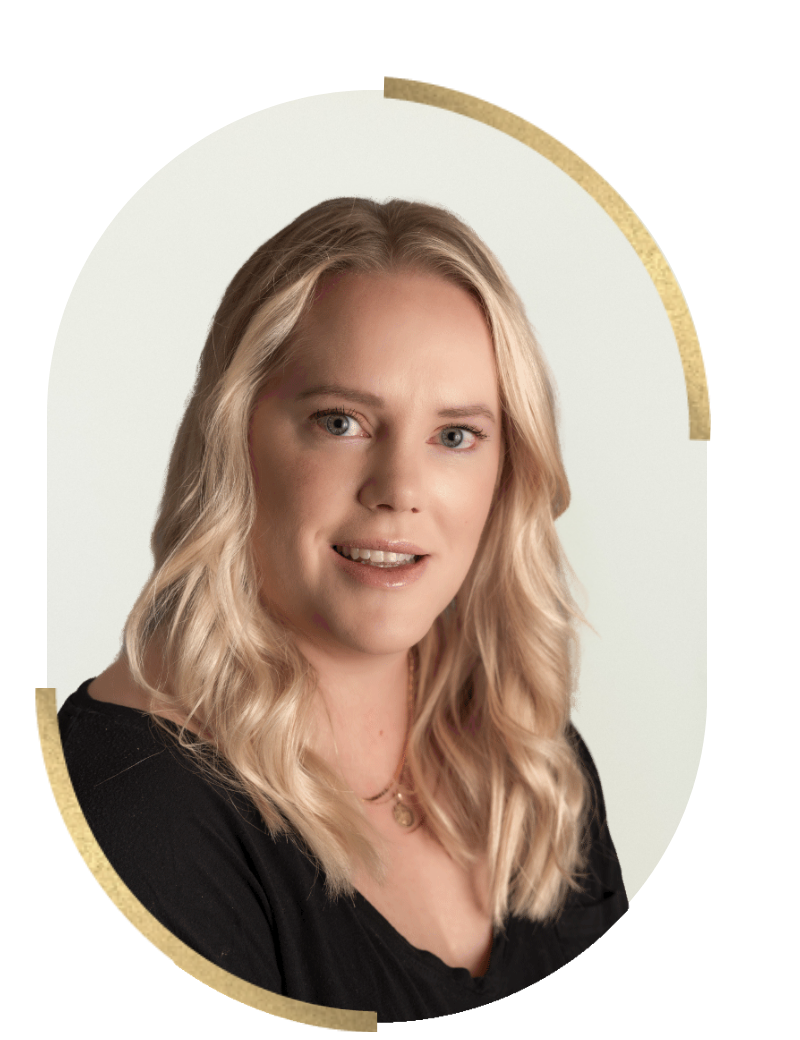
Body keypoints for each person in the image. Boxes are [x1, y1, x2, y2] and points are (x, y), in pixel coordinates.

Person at [58, 197, 628, 1021]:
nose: (399, 490)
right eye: (342, 422)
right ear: (236, 438)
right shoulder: (131, 808)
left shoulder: (531, 760)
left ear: (507, 471)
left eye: (456, 435)